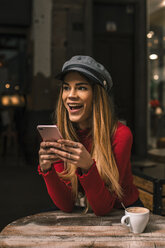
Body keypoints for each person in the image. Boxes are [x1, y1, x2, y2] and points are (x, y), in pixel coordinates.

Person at [38, 55, 143, 216]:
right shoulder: (60, 133)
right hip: (84, 214)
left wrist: (88, 167)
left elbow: (104, 208)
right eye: (66, 87)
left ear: (97, 96)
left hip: (123, 214)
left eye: (81, 88)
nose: (71, 95)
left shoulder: (121, 135)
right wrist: (47, 169)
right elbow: (66, 205)